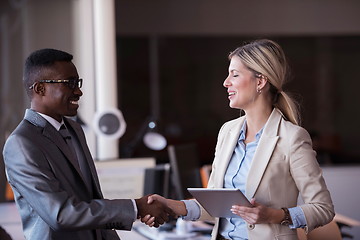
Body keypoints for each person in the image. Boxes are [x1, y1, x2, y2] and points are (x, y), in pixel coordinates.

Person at [144, 39, 335, 240]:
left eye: (234, 74)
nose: (226, 82)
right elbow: (214, 206)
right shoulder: (228, 131)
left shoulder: (292, 137)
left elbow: (323, 208)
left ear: (260, 81)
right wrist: (170, 205)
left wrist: (275, 215)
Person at [2, 48, 173, 240]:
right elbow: (61, 214)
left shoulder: (74, 129)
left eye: (78, 82)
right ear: (40, 88)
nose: (78, 91)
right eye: (69, 83)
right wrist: (135, 207)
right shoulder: (21, 143)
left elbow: (92, 200)